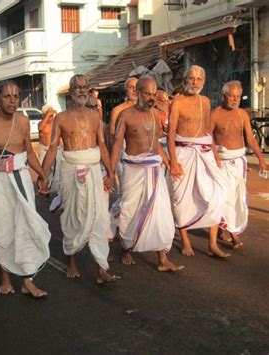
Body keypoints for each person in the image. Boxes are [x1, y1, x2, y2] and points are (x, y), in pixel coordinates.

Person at [41, 74, 119, 283]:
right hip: (71, 170)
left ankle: (101, 267)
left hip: (94, 169)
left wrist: (110, 173)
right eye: (77, 87)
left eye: (85, 87)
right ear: (71, 91)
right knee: (72, 217)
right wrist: (42, 176)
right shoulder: (61, 118)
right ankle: (72, 263)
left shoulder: (95, 117)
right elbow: (52, 148)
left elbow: (102, 146)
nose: (82, 90)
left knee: (99, 217)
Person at [0, 81, 51, 298]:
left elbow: (28, 152)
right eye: (7, 97)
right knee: (2, 228)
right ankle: (6, 277)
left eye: (16, 96)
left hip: (21, 179)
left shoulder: (23, 121)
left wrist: (42, 175)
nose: (12, 101)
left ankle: (28, 279)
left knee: (27, 225)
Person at [110, 77, 184, 272]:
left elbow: (156, 144)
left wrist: (170, 163)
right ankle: (127, 248)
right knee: (130, 210)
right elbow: (117, 144)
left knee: (161, 213)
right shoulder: (125, 115)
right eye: (147, 93)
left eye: (153, 94)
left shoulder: (156, 116)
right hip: (133, 169)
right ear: (137, 93)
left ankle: (162, 258)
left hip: (154, 169)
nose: (151, 98)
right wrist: (109, 173)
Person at [168, 65, 229, 258]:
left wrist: (215, 155)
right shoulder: (177, 101)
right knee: (181, 198)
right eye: (192, 78)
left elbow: (207, 132)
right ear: (185, 79)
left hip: (204, 152)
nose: (195, 82)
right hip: (183, 152)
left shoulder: (206, 101)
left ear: (204, 81)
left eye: (199, 79)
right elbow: (170, 135)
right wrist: (174, 162)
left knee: (216, 193)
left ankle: (212, 244)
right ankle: (185, 240)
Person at [210, 81, 268, 249]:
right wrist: (215, 157)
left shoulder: (242, 114)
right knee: (224, 198)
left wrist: (261, 159)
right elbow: (208, 138)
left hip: (238, 162)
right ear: (224, 96)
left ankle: (223, 229)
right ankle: (233, 234)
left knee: (237, 198)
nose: (235, 100)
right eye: (231, 96)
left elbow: (250, 138)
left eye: (237, 97)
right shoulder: (215, 114)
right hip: (222, 162)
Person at [109, 77, 138, 145]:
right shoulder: (117, 111)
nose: (134, 90)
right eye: (131, 87)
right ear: (126, 90)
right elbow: (112, 135)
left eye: (136, 87)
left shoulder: (146, 109)